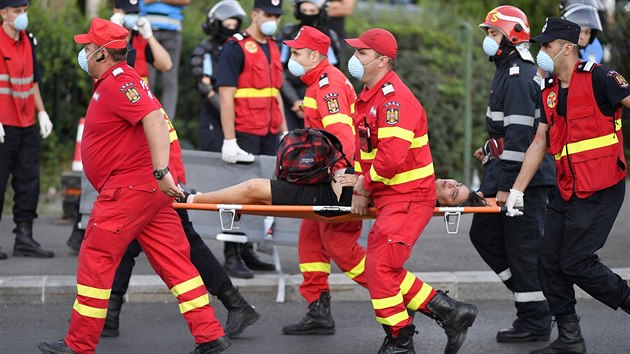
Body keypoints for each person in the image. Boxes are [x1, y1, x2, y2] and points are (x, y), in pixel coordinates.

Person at [37, 18, 229, 354]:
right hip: (144, 192)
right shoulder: (122, 80)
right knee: (176, 263)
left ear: (101, 54)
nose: (82, 53)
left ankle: (79, 345)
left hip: (128, 190)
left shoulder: (119, 81)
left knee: (96, 257)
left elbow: (154, 119)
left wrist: (160, 171)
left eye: (86, 48)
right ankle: (210, 334)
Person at [99, 0, 260, 342]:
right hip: (149, 165)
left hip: (155, 169)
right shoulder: (117, 70)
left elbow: (163, 70)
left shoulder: (126, 61)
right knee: (135, 243)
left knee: (178, 243)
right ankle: (111, 315)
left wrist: (162, 173)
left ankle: (233, 306)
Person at [345, 28, 478, 354]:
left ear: (382, 61)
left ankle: (401, 340)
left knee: (379, 268)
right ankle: (448, 313)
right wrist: (364, 185)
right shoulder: (369, 96)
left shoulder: (395, 100)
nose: (355, 58)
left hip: (407, 198)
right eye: (357, 51)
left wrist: (363, 185)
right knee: (381, 268)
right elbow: (365, 152)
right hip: (391, 196)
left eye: (362, 53)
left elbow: (389, 158)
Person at [505, 17, 630, 354]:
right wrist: (517, 189)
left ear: (567, 48)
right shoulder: (547, 90)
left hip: (602, 187)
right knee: (547, 260)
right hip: (568, 189)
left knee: (576, 261)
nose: (541, 51)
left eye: (546, 46)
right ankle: (570, 337)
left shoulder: (602, 78)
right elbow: (539, 143)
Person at [473, 5, 555, 343]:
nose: (489, 40)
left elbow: (522, 134)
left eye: (494, 33)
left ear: (512, 35)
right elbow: (508, 129)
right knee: (485, 235)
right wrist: (489, 147)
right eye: (489, 34)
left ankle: (536, 318)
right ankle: (534, 301)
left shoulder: (518, 73)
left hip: (524, 178)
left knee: (523, 249)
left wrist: (509, 186)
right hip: (505, 169)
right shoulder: (508, 69)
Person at [215, 0, 287, 279]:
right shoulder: (235, 47)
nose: (273, 20)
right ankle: (231, 253)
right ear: (255, 14)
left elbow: (275, 92)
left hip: (268, 131)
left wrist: (282, 130)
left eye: (277, 16)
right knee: (236, 194)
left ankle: (248, 249)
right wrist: (229, 139)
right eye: (268, 14)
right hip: (244, 130)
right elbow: (225, 95)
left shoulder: (273, 46)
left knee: (261, 195)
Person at [0, 0, 54, 260]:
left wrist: (41, 112)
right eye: (17, 11)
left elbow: (33, 81)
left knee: (28, 182)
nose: (23, 16)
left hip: (26, 124)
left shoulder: (28, 40)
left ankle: (24, 237)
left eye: (25, 11)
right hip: (3, 125)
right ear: (3, 13)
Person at [277, 0, 343, 132]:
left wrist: (309, 104)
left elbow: (332, 72)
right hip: (290, 99)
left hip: (319, 100)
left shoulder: (327, 37)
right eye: (304, 11)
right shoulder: (289, 33)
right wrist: (295, 101)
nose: (308, 15)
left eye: (312, 11)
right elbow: (279, 70)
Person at [191, 0, 246, 152]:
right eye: (227, 25)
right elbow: (205, 87)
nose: (231, 29)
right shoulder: (205, 50)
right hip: (215, 116)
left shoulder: (240, 49)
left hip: (242, 113)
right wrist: (230, 112)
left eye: (234, 25)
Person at [142, 0, 190, 121]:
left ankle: (168, 122)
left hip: (172, 32)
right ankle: (146, 118)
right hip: (147, 31)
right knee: (147, 79)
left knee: (170, 79)